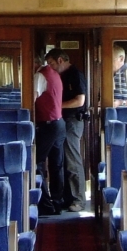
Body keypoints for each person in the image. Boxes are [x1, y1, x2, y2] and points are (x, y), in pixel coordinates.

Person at [46, 48, 87, 212]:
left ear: (60, 60)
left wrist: (56, 106)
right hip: (61, 120)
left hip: (72, 121)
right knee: (61, 160)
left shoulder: (76, 74)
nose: (50, 67)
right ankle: (66, 198)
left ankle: (79, 199)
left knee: (72, 160)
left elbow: (79, 101)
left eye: (51, 63)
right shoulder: (58, 76)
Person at [34, 53, 65, 215]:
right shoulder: (54, 74)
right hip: (59, 123)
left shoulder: (40, 76)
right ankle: (57, 203)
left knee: (36, 162)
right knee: (56, 165)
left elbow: (30, 100)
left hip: (48, 125)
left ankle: (45, 204)